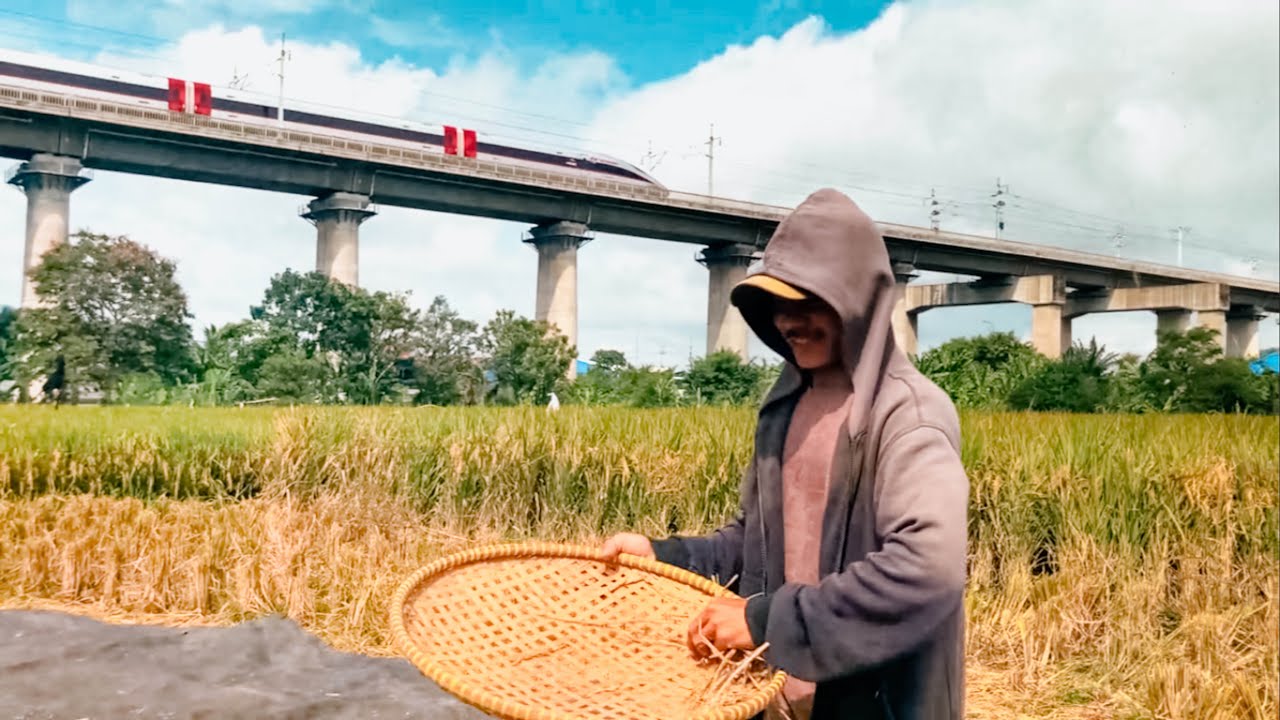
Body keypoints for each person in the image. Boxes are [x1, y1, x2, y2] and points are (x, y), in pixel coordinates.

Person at [601, 188, 969, 720]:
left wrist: (765, 622)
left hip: (875, 703)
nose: (789, 322)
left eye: (809, 303)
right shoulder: (783, 408)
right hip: (771, 694)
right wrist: (663, 556)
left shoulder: (907, 415)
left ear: (858, 302)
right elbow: (754, 543)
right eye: (777, 305)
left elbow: (926, 570)